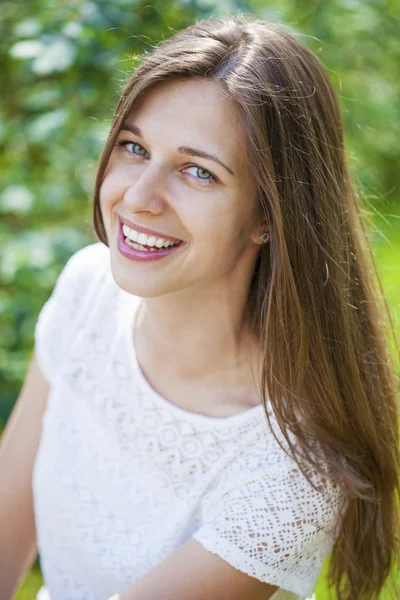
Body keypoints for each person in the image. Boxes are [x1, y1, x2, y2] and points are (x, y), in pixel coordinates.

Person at [1, 13, 399, 600]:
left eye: (198, 172)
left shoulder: (293, 470)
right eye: (134, 147)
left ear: (269, 214)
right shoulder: (88, 288)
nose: (138, 198)